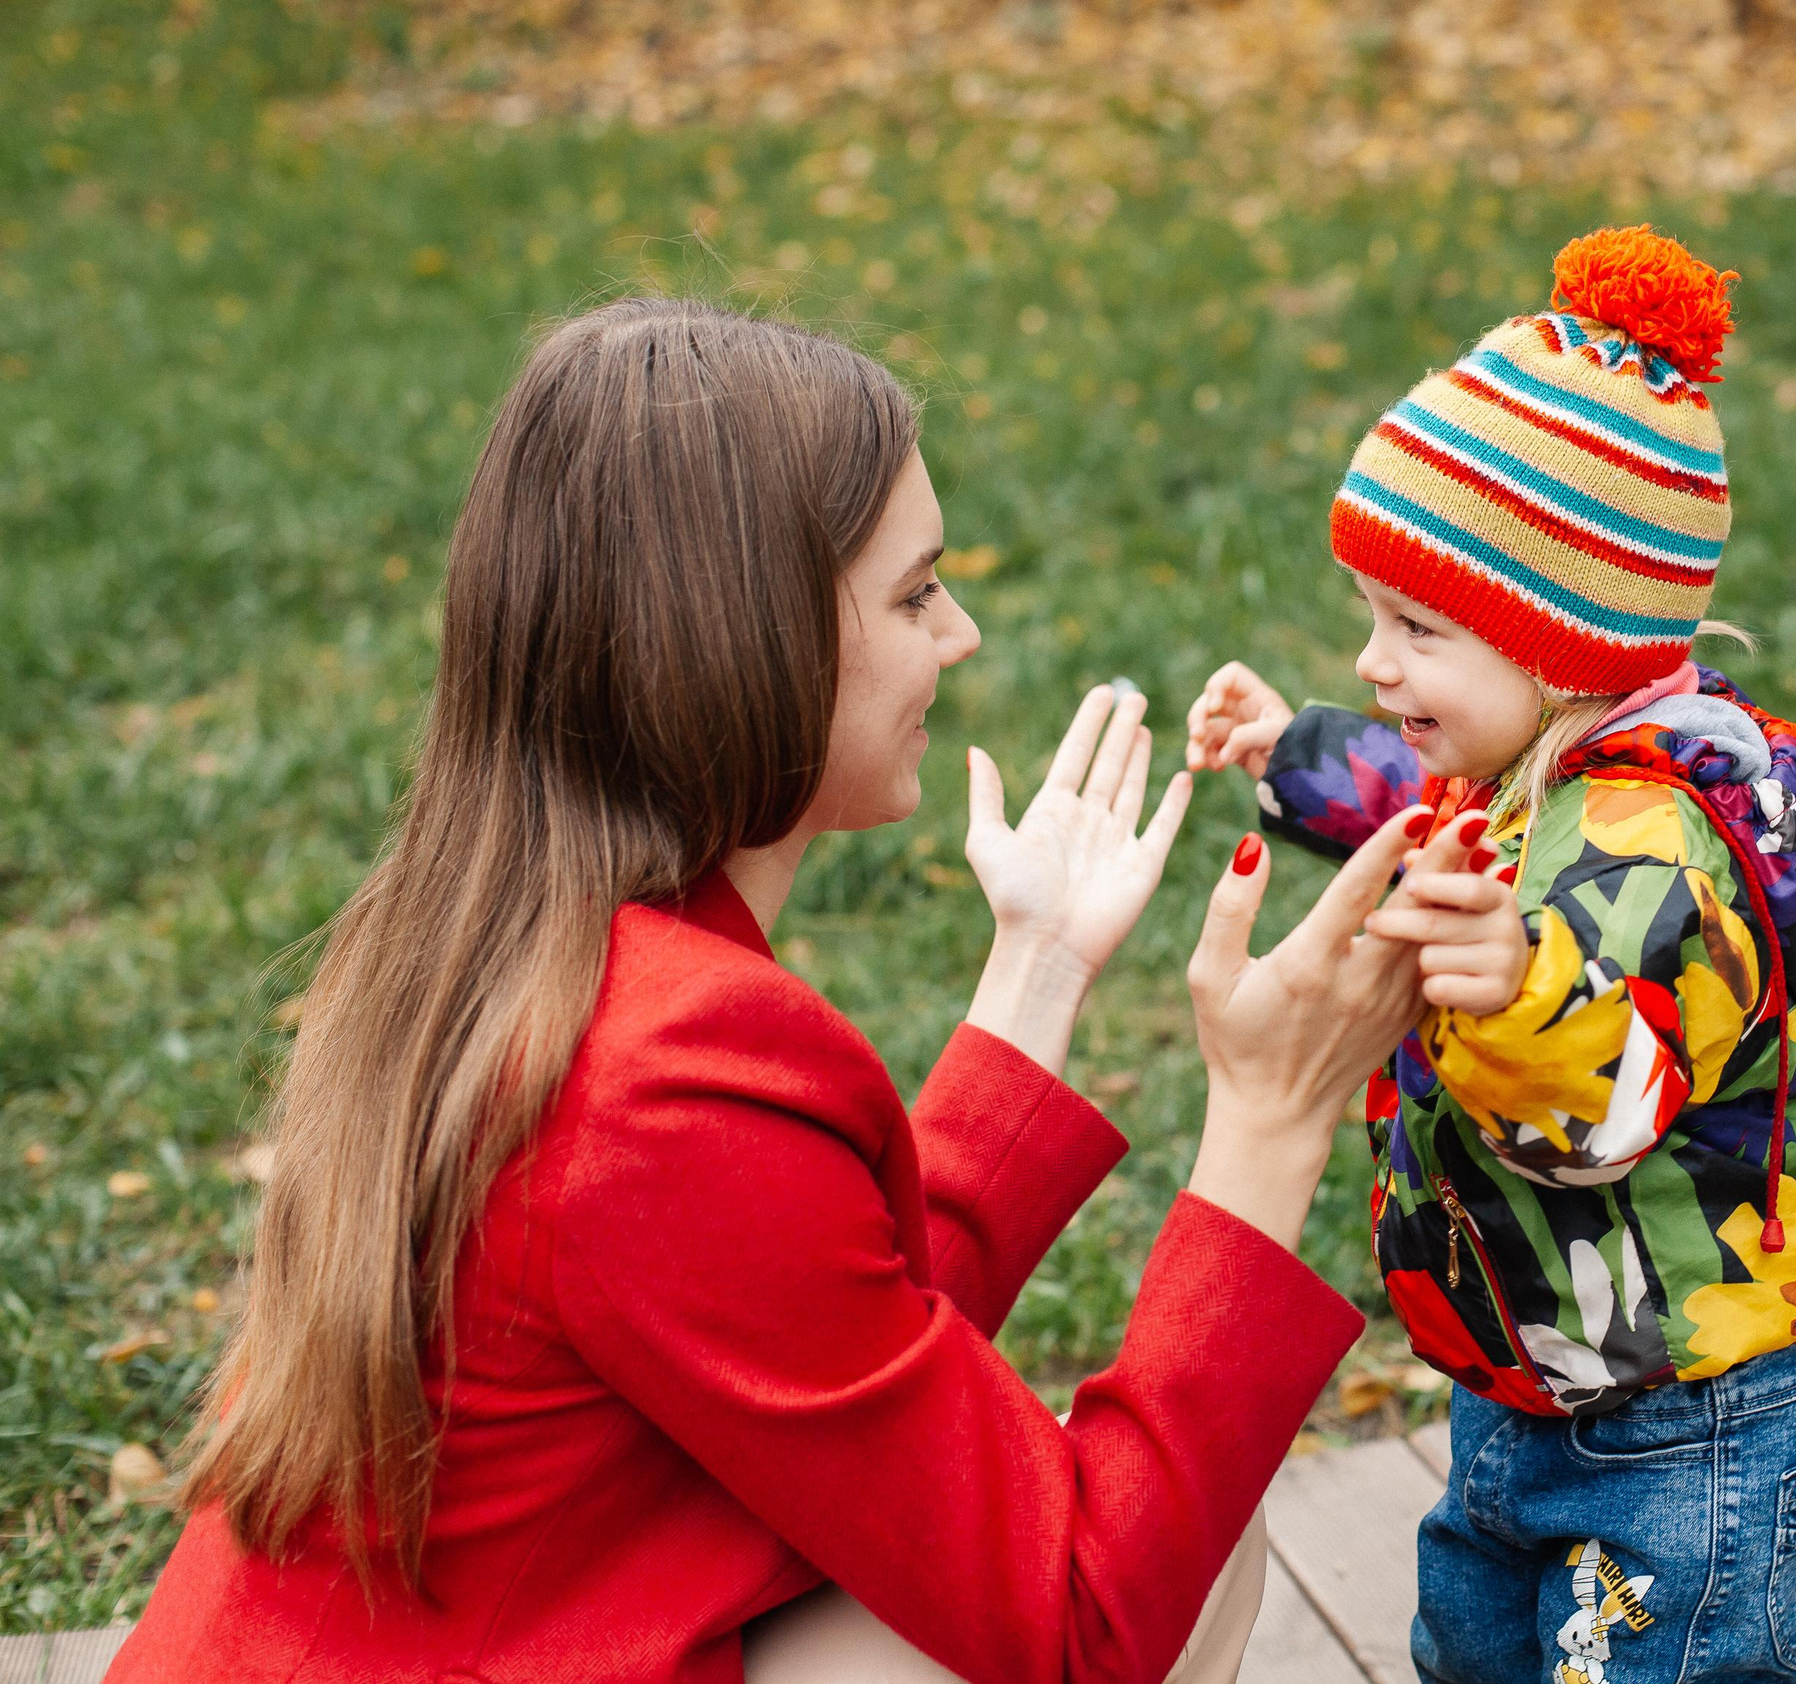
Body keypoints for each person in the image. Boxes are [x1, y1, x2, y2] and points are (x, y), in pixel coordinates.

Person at [112, 297, 1474, 1684]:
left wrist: (1041, 968)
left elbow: (824, 1341)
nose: (962, 635)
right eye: (915, 593)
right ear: (747, 633)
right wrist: (1272, 1110)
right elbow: (1087, 1612)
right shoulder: (661, 1071)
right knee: (1181, 1532)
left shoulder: (501, 945)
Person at [1185, 227, 1796, 1683]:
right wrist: (1291, 750)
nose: (1376, 661)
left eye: (1416, 627)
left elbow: (1606, 1098)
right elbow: (1418, 793)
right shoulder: (1525, 768)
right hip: (1537, 1380)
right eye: (1372, 619)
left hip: (1691, 1420)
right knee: (1473, 1654)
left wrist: (1514, 990)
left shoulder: (1656, 847)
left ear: (1561, 643)